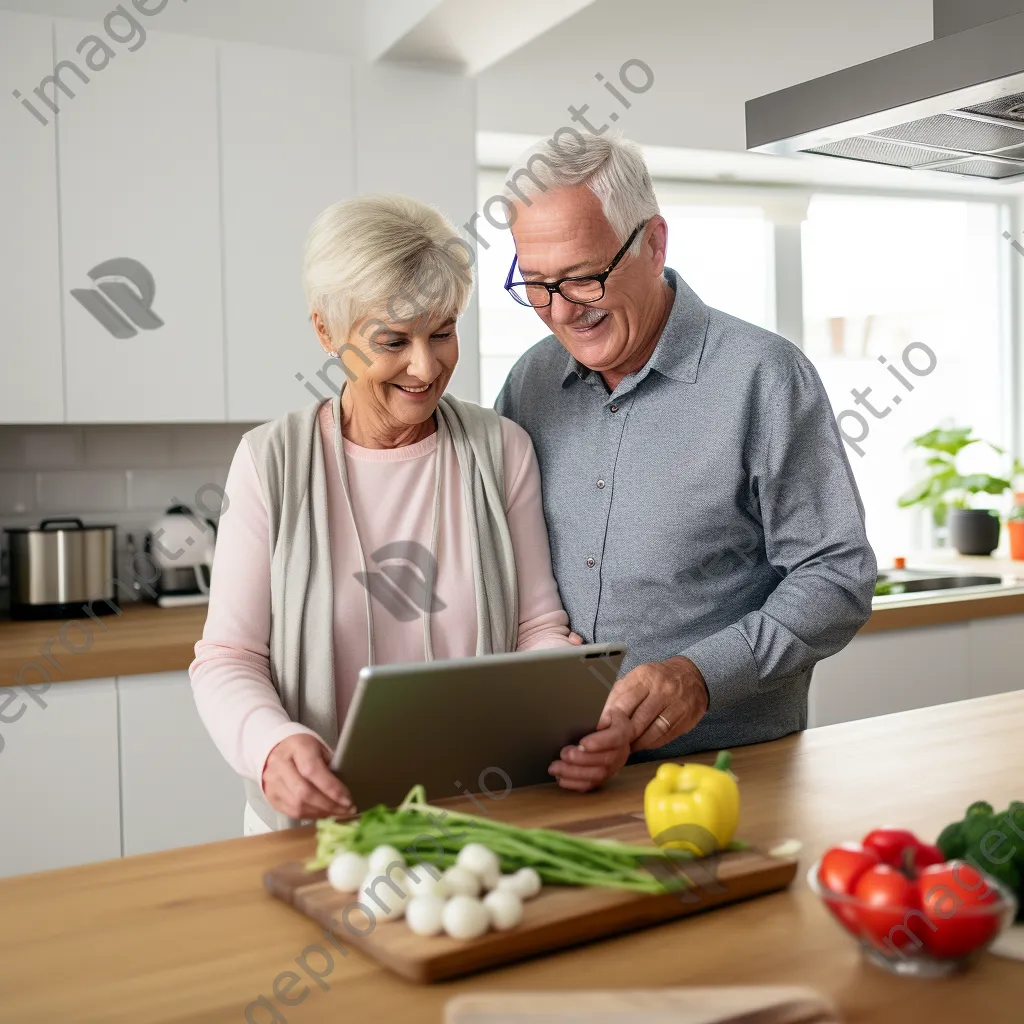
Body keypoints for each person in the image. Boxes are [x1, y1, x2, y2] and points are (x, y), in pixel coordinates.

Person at [495, 135, 877, 791]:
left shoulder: (763, 378)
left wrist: (700, 676)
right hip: (558, 778)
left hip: (731, 774)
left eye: (584, 276)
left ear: (654, 243)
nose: (561, 310)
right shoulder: (529, 383)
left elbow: (836, 575)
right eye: (535, 283)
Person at [190, 194, 580, 833]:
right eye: (393, 340)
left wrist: (571, 709)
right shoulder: (270, 462)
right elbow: (228, 655)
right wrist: (271, 747)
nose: (425, 368)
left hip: (478, 815)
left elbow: (537, 628)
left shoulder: (500, 450)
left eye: (443, 332)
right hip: (316, 830)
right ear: (327, 333)